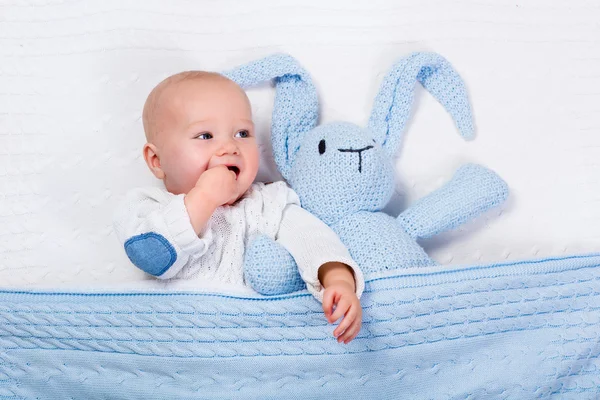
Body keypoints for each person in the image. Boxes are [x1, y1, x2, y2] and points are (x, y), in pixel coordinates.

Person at [113, 70, 365, 344]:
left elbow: (313, 238)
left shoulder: (270, 203)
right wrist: (204, 197)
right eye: (205, 135)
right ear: (157, 161)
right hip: (176, 339)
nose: (230, 146)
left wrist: (339, 281)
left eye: (242, 133)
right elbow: (152, 257)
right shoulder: (147, 207)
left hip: (252, 339)